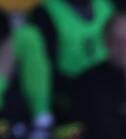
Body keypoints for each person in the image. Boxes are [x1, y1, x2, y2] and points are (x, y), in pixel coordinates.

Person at [10, 0, 115, 131]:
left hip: (108, 87)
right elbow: (44, 68)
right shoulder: (45, 12)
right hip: (68, 94)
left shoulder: (106, 6)